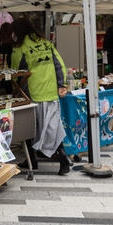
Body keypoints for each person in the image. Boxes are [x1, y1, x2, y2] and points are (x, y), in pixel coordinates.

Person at [10, 17, 72, 175]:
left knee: (29, 128)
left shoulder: (20, 47)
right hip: (50, 93)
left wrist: (14, 90)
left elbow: (15, 72)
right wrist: (61, 84)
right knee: (52, 127)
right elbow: (60, 64)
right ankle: (58, 155)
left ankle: (35, 160)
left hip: (32, 92)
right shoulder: (46, 43)